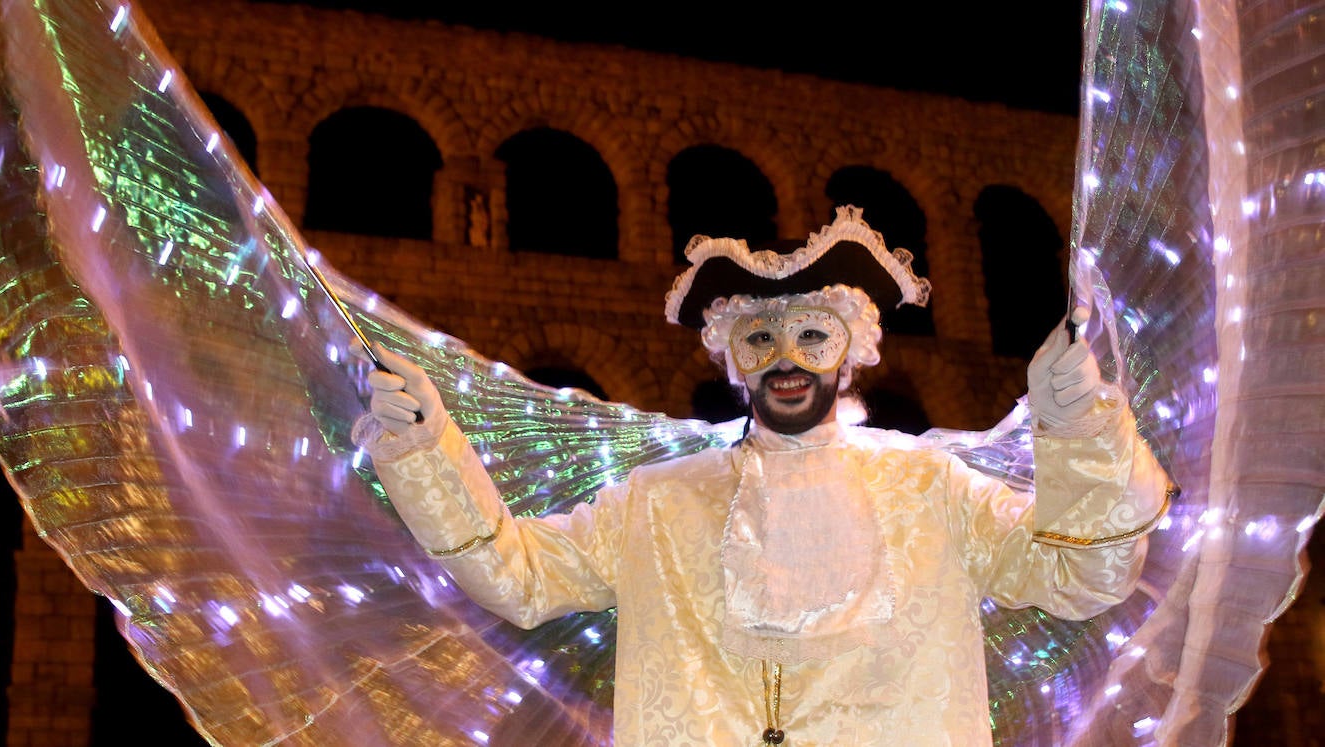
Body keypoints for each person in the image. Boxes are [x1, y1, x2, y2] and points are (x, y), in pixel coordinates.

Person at [353, 205, 1173, 746]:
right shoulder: (660, 501)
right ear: (730, 357)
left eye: (812, 334)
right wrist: (427, 449)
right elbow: (518, 573)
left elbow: (1082, 573)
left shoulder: (932, 488)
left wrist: (1081, 429)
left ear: (850, 349)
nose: (786, 359)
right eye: (759, 338)